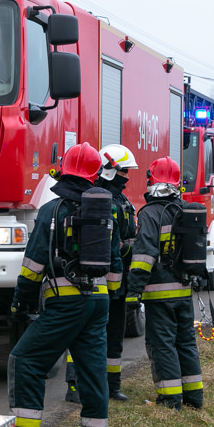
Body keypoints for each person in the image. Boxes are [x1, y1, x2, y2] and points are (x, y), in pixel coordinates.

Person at [0, 142, 119, 427]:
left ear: (63, 170)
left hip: (66, 303)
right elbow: (116, 261)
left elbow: (34, 263)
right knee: (92, 369)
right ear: (95, 175)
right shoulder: (107, 211)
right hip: (99, 301)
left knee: (26, 359)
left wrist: (21, 302)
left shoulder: (53, 210)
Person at [126, 156, 203, 410]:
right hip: (183, 290)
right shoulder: (184, 209)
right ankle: (194, 398)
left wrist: (133, 291)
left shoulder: (150, 213)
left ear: (151, 181)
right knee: (186, 343)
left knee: (162, 345)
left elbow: (144, 256)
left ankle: (170, 401)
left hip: (159, 293)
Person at [64, 144, 138, 403]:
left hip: (117, 281)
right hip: (98, 281)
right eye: (125, 171)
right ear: (110, 169)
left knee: (114, 337)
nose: (127, 176)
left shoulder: (120, 199)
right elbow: (114, 244)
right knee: (85, 336)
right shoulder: (98, 200)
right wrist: (130, 248)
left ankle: (111, 385)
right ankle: (75, 386)